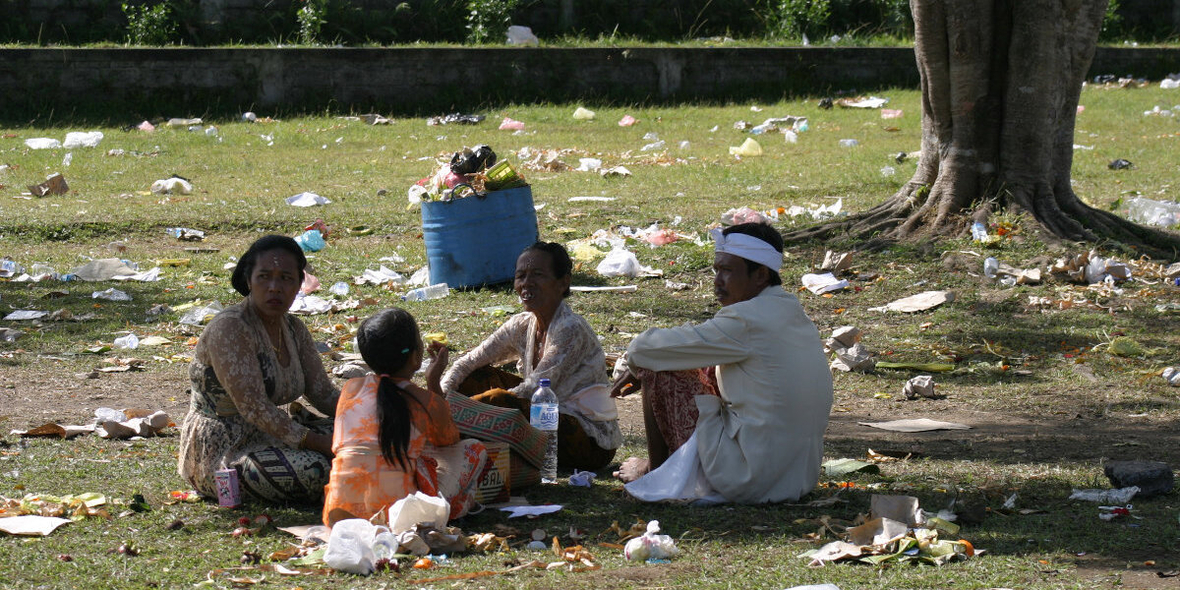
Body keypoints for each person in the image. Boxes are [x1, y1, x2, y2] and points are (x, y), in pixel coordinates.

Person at [610, 223, 833, 504]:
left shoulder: (745, 321)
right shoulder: (790, 311)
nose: (717, 281)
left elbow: (643, 349)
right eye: (717, 270)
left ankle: (656, 471)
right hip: (796, 480)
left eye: (727, 271)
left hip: (750, 480)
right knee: (693, 360)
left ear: (760, 275)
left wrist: (638, 364)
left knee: (660, 368)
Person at [178, 235, 340, 503]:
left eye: (286, 278)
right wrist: (323, 444)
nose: (274, 287)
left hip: (272, 434)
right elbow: (254, 408)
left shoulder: (293, 328)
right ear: (249, 280)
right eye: (264, 276)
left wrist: (369, 417)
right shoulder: (230, 328)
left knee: (362, 440)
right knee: (320, 468)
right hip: (225, 447)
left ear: (300, 284)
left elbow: (322, 393)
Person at [440, 242, 622, 473]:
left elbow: (533, 390)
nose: (527, 283)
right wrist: (440, 396)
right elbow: (469, 361)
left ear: (563, 282)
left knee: (499, 400)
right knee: (476, 377)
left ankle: (444, 432)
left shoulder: (570, 328)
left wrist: (462, 412)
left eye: (537, 275)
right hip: (545, 416)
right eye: (521, 276)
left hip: (588, 440)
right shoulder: (522, 323)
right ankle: (448, 428)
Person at [322, 308, 487, 526]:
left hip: (338, 514)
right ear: (415, 355)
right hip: (400, 518)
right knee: (473, 448)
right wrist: (433, 381)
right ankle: (457, 508)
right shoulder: (423, 401)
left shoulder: (350, 389)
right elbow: (448, 442)